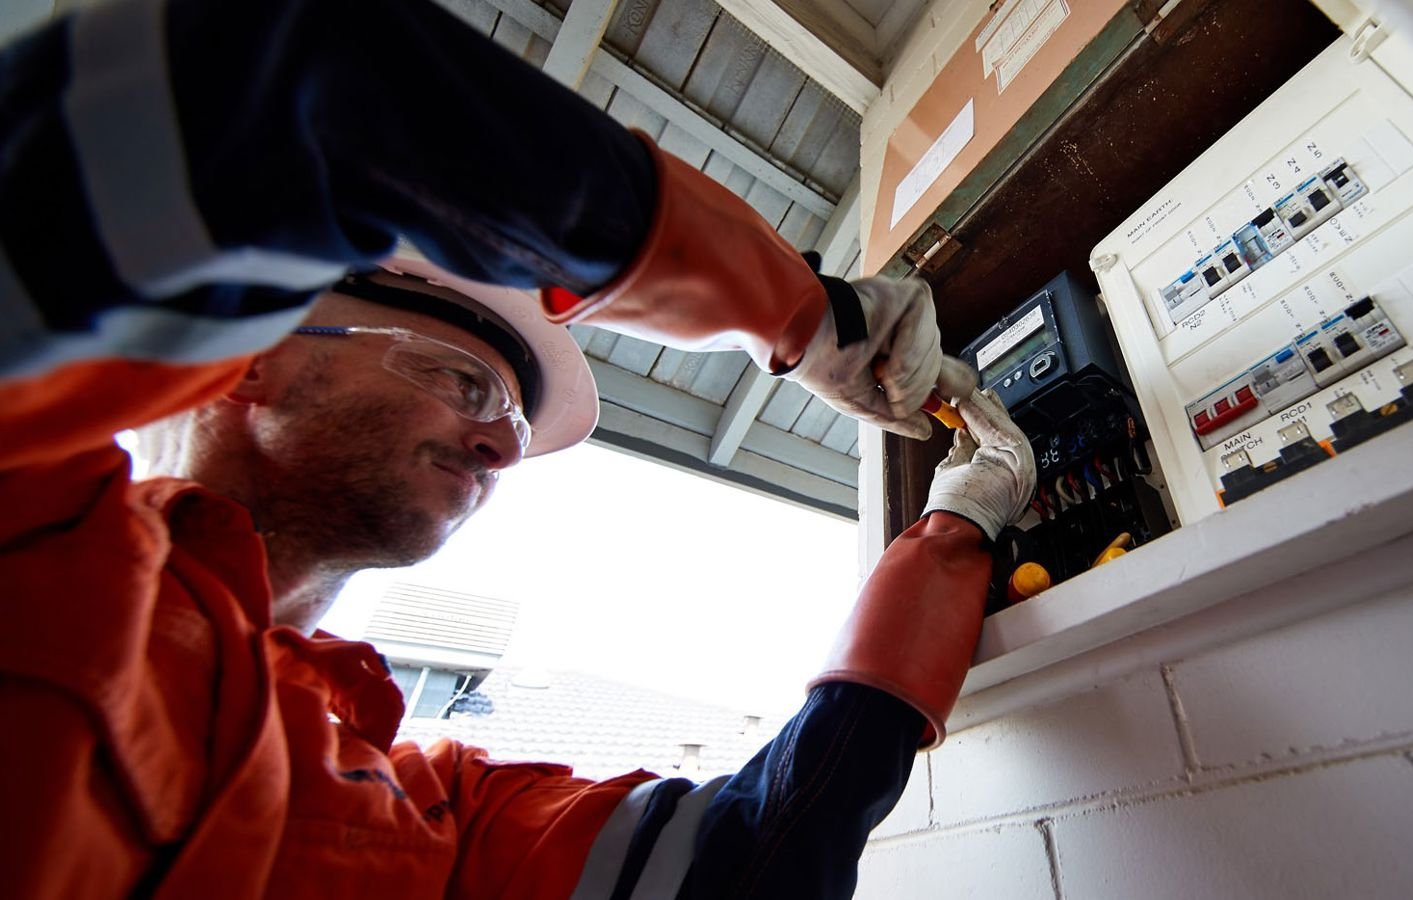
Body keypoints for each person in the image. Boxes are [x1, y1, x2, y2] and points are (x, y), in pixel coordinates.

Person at [0, 0, 1036, 897]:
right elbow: (273, 90)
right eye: (465, 382)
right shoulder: (29, 510)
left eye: (512, 417)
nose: (503, 444)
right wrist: (809, 317)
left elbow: (742, 865)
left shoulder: (431, 812)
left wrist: (955, 530)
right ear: (251, 354)